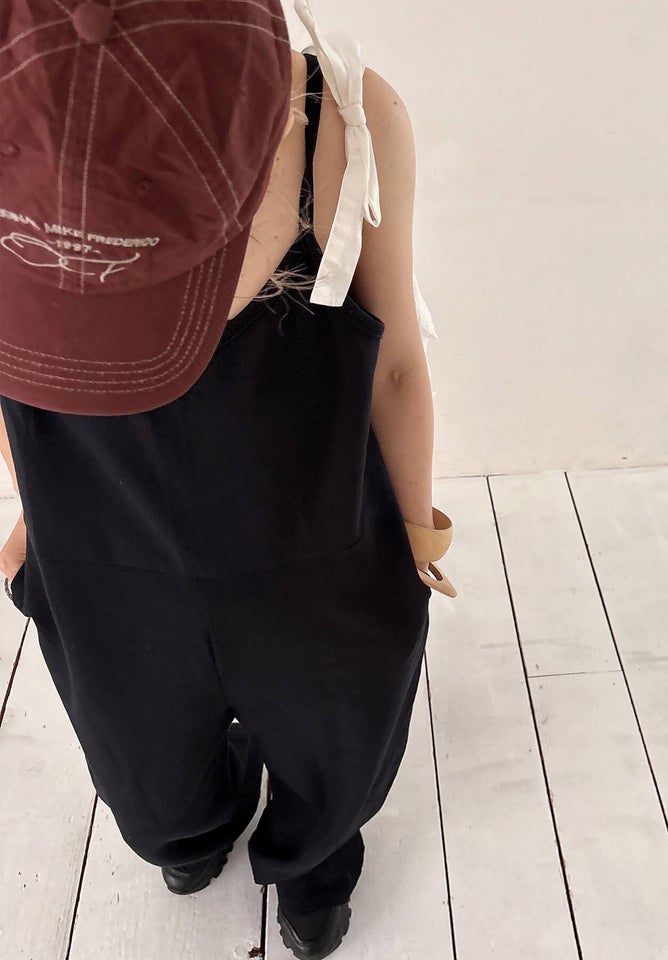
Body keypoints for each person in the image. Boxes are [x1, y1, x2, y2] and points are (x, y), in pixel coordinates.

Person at [0, 1, 457, 958]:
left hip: (314, 533)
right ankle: (193, 828)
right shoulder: (15, 110)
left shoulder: (344, 116)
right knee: (147, 781)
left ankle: (313, 863)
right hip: (99, 538)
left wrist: (417, 531)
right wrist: (36, 509)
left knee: (336, 744)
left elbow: (395, 365)